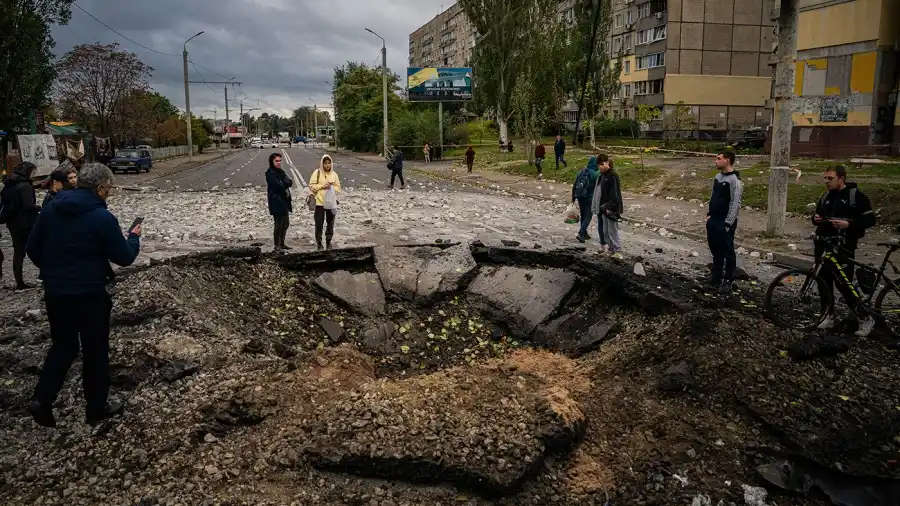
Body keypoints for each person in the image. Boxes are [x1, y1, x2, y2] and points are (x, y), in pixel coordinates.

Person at [25, 163, 142, 428]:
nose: (109, 193)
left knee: (63, 345)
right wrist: (134, 238)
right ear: (101, 188)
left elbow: (33, 248)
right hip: (89, 293)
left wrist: (54, 271)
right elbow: (123, 257)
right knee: (95, 350)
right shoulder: (102, 218)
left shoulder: (51, 208)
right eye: (109, 188)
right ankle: (96, 408)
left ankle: (42, 400)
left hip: (56, 291)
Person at [812, 164, 877, 336]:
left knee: (844, 284)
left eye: (830, 178)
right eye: (825, 178)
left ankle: (864, 318)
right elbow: (817, 216)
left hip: (844, 247)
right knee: (822, 281)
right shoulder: (826, 196)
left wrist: (849, 224)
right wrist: (816, 219)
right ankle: (828, 315)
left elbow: (870, 219)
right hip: (824, 245)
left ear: (841, 179)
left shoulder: (856, 197)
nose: (826, 182)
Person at [706, 150, 743, 293]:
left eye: (718, 158)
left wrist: (728, 222)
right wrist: (709, 214)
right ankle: (716, 277)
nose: (716, 161)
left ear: (727, 160)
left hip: (725, 221)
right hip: (713, 219)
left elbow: (735, 203)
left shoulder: (735, 181)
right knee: (715, 249)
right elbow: (712, 196)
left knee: (728, 251)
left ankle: (728, 280)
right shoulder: (718, 177)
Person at [0, 161, 41, 290]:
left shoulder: (10, 183)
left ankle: (19, 282)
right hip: (26, 223)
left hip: (12, 222)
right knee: (37, 248)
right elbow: (28, 206)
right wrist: (39, 207)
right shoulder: (25, 186)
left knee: (18, 252)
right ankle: (46, 275)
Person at [592, 155, 623, 256]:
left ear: (607, 163)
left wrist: (611, 207)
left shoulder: (612, 176)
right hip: (603, 208)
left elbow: (615, 195)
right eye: (598, 165)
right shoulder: (602, 176)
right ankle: (610, 249)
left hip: (611, 208)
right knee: (605, 231)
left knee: (612, 230)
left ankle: (618, 251)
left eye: (602, 164)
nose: (600, 167)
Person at [309, 154, 341, 250]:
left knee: (330, 223)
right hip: (319, 203)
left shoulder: (334, 174)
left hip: (331, 203)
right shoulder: (317, 172)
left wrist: (331, 187)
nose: (327, 165)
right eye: (325, 163)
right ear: (322, 164)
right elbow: (311, 185)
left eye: (329, 163)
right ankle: (319, 243)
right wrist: (322, 186)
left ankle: (328, 241)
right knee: (319, 224)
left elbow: (338, 187)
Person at [265, 152, 293, 251]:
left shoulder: (281, 171)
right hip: (276, 201)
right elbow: (277, 186)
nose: (278, 163)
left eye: (280, 161)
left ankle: (282, 243)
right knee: (278, 224)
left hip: (284, 201)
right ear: (272, 161)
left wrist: (284, 183)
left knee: (286, 223)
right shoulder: (270, 173)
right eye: (276, 161)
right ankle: (277, 245)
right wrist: (284, 183)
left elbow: (290, 181)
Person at [572, 156, 600, 243]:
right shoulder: (595, 174)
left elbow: (575, 184)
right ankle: (581, 232)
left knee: (583, 214)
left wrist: (573, 197)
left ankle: (584, 233)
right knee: (588, 215)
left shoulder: (582, 171)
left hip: (580, 196)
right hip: (589, 198)